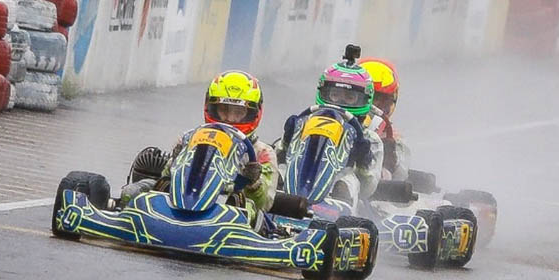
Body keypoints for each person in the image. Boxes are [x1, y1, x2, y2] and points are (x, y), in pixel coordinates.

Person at [119, 71, 278, 231]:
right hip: (181, 198)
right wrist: (176, 161)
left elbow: (265, 203)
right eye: (223, 110)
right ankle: (126, 221)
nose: (229, 118)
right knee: (133, 191)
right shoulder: (192, 139)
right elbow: (166, 177)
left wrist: (254, 183)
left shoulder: (261, 153)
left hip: (224, 208)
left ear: (253, 113)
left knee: (247, 208)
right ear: (211, 107)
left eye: (238, 113)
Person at [283, 56, 384, 205]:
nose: (340, 103)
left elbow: (368, 189)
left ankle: (338, 212)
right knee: (279, 172)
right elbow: (281, 156)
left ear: (363, 99)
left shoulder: (369, 137)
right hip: (295, 182)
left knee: (348, 182)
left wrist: (363, 160)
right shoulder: (305, 123)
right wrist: (287, 140)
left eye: (349, 97)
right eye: (335, 95)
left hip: (336, 192)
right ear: (324, 93)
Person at [358, 57, 409, 180]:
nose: (372, 105)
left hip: (367, 182)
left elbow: (401, 175)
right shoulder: (337, 121)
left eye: (379, 98)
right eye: (367, 97)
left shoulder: (391, 135)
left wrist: (389, 158)